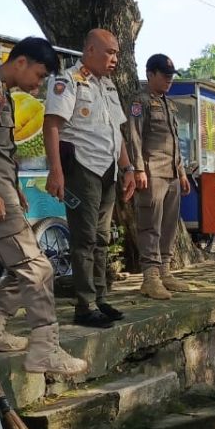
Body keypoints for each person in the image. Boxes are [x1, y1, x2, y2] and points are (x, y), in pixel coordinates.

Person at [0, 37, 88, 376]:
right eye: (40, 74)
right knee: (38, 269)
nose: (39, 83)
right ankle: (45, 349)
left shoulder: (3, 94)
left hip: (3, 193)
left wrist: (14, 188)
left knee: (25, 265)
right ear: (20, 62)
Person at [43, 28, 137, 329]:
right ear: (91, 49)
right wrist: (56, 171)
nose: (115, 59)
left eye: (117, 54)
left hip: (108, 168)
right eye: (110, 52)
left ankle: (100, 296)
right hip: (82, 167)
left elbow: (117, 132)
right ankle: (84, 305)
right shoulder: (68, 81)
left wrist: (128, 169)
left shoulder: (107, 86)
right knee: (84, 238)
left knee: (101, 237)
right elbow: (52, 126)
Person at [128, 53, 192, 300]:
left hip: (172, 173)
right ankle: (150, 276)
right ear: (150, 74)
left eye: (171, 77)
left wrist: (182, 173)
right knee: (150, 225)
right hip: (152, 171)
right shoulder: (140, 101)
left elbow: (176, 142)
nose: (169, 81)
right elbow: (134, 135)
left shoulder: (169, 104)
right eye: (164, 76)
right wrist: (138, 168)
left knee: (168, 225)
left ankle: (165, 270)